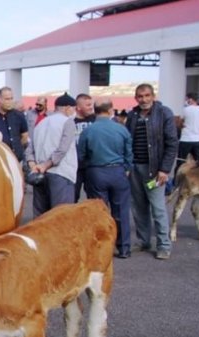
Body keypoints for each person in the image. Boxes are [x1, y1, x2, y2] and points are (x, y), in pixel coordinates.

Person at [125, 83, 178, 260]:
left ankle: (163, 244)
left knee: (158, 208)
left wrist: (164, 169)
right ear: (136, 98)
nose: (144, 99)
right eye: (140, 96)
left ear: (153, 96)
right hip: (135, 168)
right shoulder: (132, 115)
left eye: (147, 95)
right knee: (138, 207)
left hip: (155, 170)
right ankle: (143, 241)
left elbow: (172, 143)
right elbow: (127, 142)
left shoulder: (164, 113)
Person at [77, 98, 133, 258]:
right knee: (121, 211)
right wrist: (127, 168)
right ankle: (124, 248)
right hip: (118, 172)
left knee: (99, 212)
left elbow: (81, 155)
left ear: (95, 111)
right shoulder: (121, 129)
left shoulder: (88, 131)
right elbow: (129, 153)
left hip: (96, 172)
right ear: (110, 111)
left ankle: (101, 246)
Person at [26, 93, 78, 217]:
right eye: (74, 109)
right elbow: (62, 150)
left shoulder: (41, 123)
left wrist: (33, 165)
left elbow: (29, 149)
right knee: (60, 217)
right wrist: (46, 165)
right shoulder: (68, 122)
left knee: (40, 217)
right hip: (61, 173)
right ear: (67, 108)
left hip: (40, 175)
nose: (74, 112)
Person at [0, 86, 29, 162]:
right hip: (0, 160)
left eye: (11, 98)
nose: (10, 101)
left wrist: (18, 149)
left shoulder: (19, 116)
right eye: (7, 99)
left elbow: (24, 137)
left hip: (17, 159)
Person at [175, 92, 199, 177]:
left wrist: (182, 124)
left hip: (186, 139)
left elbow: (179, 123)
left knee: (180, 162)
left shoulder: (186, 109)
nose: (186, 101)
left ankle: (176, 182)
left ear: (190, 99)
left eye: (186, 99)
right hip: (198, 140)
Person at [73, 93, 96, 201]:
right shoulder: (70, 122)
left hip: (92, 165)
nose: (91, 107)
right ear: (78, 107)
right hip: (74, 166)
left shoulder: (96, 120)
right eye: (87, 105)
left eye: (91, 104)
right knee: (73, 196)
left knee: (94, 197)